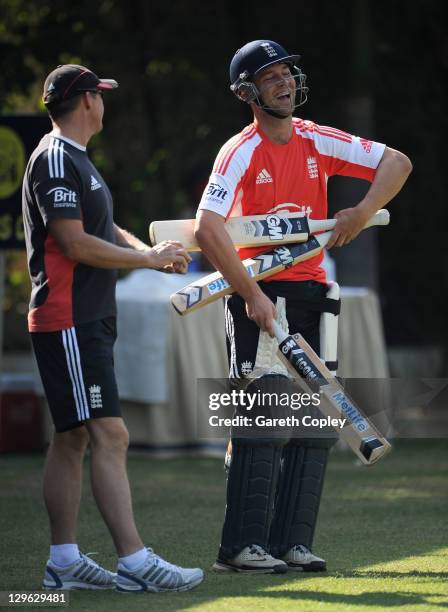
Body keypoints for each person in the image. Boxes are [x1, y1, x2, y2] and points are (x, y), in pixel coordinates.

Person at [194, 40, 412, 574]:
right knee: (263, 418)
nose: (284, 83)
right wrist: (252, 296)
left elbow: (396, 162)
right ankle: (241, 549)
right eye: (270, 78)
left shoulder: (317, 138)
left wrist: (360, 211)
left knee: (314, 422)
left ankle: (293, 543)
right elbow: (207, 227)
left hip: (314, 293)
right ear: (247, 92)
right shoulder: (239, 150)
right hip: (261, 296)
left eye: (286, 73)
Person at [22, 64, 204, 593]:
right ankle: (135, 562)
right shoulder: (56, 159)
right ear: (85, 102)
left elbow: (103, 230)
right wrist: (147, 261)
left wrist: (151, 252)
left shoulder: (76, 160)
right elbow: (76, 244)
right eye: (100, 95)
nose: (105, 103)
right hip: (68, 319)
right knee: (111, 433)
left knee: (73, 437)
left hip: (84, 318)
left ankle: (63, 562)